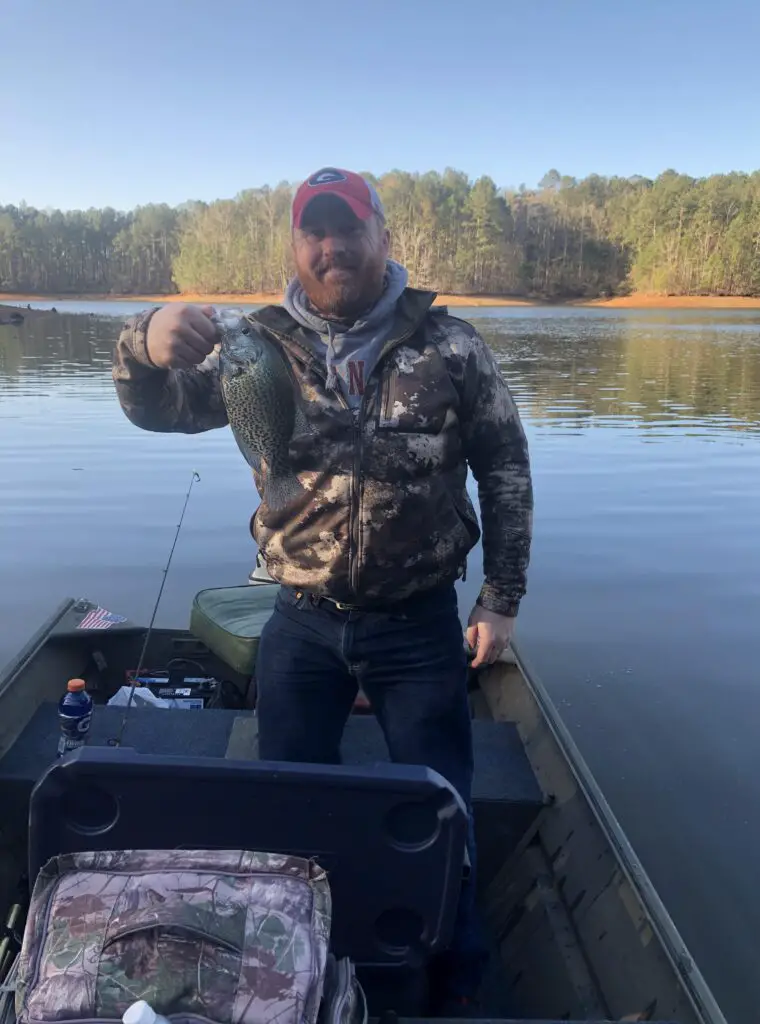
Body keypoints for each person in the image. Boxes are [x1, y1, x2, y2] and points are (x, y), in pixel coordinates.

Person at [112, 166, 533, 1012]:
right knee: (285, 809)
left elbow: (506, 467)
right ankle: (292, 965)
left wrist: (502, 597)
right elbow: (156, 410)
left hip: (419, 626)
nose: (332, 246)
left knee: (442, 809)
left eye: (349, 228)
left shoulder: (449, 346)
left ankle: (455, 978)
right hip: (300, 619)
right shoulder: (256, 347)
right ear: (296, 245)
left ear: (383, 237)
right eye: (315, 231)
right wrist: (145, 340)